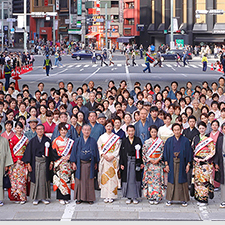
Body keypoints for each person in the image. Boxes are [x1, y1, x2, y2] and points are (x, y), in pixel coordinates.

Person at [22, 124, 53, 205]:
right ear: (36, 130)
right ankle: (36, 198)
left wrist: (51, 162)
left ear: (44, 130)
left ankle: (43, 197)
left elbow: (51, 153)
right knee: (36, 180)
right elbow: (28, 153)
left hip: (45, 162)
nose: (40, 131)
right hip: (35, 162)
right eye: (38, 129)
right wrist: (28, 164)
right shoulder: (32, 141)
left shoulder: (47, 140)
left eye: (41, 129)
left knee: (43, 180)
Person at [163, 123, 193, 207]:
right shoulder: (169, 141)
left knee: (182, 179)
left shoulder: (185, 140)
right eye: (175, 130)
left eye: (178, 130)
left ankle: (183, 199)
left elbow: (189, 153)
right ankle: (170, 199)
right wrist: (166, 164)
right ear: (172, 131)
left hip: (182, 163)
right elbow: (165, 153)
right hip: (171, 162)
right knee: (171, 180)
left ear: (181, 130)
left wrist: (188, 164)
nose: (176, 131)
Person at [70, 124, 99, 204]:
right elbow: (74, 152)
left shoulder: (93, 141)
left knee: (89, 181)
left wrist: (96, 162)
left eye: (88, 130)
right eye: (85, 130)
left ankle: (90, 198)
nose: (86, 131)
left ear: (90, 131)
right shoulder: (78, 140)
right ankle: (79, 198)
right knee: (79, 181)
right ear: (82, 131)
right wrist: (73, 163)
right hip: (80, 164)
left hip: (90, 163)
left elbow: (96, 152)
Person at [97, 119, 121, 203]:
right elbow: (99, 147)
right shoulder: (101, 137)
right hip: (105, 159)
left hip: (113, 159)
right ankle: (105, 195)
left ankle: (112, 195)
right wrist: (103, 155)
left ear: (112, 127)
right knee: (105, 177)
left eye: (110, 126)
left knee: (112, 178)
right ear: (105, 127)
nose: (109, 128)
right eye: (107, 126)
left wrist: (112, 156)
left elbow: (117, 149)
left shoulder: (116, 138)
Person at [192, 121, 215, 206]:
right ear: (198, 129)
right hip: (197, 163)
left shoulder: (209, 139)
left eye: (203, 128)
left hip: (205, 163)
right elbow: (193, 149)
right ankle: (198, 198)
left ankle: (204, 199)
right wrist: (194, 158)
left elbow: (212, 151)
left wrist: (204, 159)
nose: (201, 130)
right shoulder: (195, 138)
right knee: (198, 181)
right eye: (200, 128)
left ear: (206, 129)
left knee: (204, 181)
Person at [51, 122, 74, 205]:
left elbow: (72, 152)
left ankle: (66, 197)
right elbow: (53, 152)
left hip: (67, 163)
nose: (63, 132)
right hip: (59, 163)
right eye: (62, 130)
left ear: (67, 131)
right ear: (59, 131)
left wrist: (69, 156)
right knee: (60, 180)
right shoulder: (56, 141)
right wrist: (61, 157)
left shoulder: (70, 141)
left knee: (67, 180)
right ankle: (60, 197)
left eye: (65, 130)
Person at [119, 125, 143, 204]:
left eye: (132, 131)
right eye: (129, 131)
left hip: (136, 162)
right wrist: (121, 163)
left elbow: (141, 152)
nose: (131, 132)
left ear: (134, 131)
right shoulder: (125, 141)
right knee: (128, 179)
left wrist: (141, 163)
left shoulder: (138, 140)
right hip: (127, 162)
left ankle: (135, 196)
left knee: (135, 179)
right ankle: (128, 197)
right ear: (127, 131)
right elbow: (121, 153)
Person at [142, 125, 164, 204]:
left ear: (157, 132)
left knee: (157, 181)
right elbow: (144, 153)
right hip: (150, 164)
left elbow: (162, 152)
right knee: (150, 181)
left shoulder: (160, 142)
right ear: (150, 132)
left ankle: (157, 197)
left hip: (157, 164)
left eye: (155, 132)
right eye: (152, 132)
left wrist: (158, 159)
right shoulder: (147, 142)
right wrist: (150, 159)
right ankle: (151, 197)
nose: (153, 133)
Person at [8, 121, 29, 204]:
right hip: (15, 162)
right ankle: (16, 198)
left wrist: (23, 159)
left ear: (22, 128)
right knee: (15, 180)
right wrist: (16, 160)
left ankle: (22, 197)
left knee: (22, 180)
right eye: (17, 128)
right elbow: (10, 151)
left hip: (23, 162)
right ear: (15, 128)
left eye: (20, 128)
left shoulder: (25, 139)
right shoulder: (12, 139)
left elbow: (27, 151)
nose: (19, 129)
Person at [0, 124, 14, 206]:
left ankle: (0, 199)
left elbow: (8, 152)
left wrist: (7, 164)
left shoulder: (4, 140)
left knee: (0, 181)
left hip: (1, 163)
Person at [214, 122, 225, 208]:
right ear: (222, 129)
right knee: (223, 181)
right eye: (224, 128)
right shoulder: (220, 138)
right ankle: (223, 200)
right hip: (222, 160)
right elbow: (217, 152)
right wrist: (216, 163)